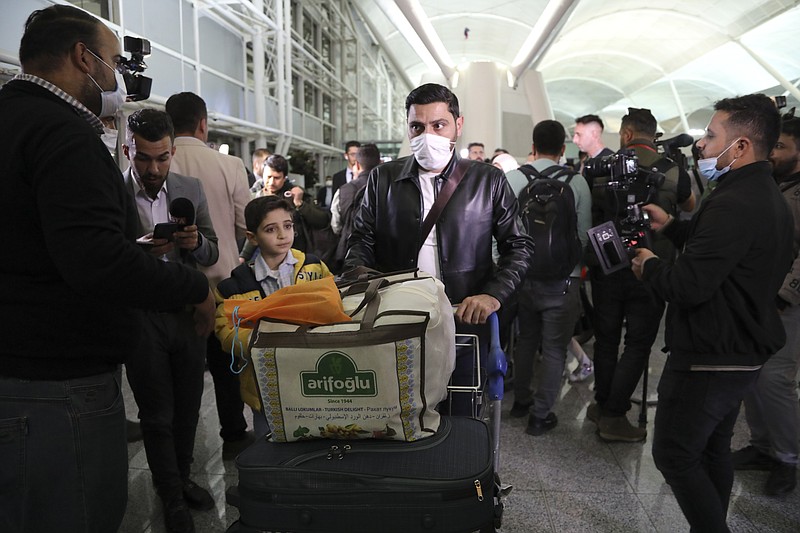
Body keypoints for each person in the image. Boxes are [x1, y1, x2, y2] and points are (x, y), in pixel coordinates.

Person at [0, 6, 215, 532]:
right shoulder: (64, 134)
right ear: (83, 57)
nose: (120, 76)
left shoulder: (10, 118)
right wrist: (192, 286)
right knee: (76, 512)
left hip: (15, 364)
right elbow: (96, 262)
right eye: (116, 62)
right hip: (59, 380)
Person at [632, 93, 793, 532]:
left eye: (711, 135)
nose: (701, 145)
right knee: (711, 449)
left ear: (740, 146)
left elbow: (688, 285)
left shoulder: (734, 202)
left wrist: (650, 266)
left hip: (711, 353)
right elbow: (726, 255)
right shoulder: (762, 195)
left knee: (674, 453)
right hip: (740, 347)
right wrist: (675, 226)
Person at [345, 83, 533, 415]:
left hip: (463, 323)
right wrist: (365, 278)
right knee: (398, 412)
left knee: (462, 412)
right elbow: (360, 240)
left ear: (458, 126)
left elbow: (518, 245)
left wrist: (493, 294)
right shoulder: (383, 180)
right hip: (398, 322)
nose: (427, 135)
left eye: (438, 125)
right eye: (417, 126)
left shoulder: (487, 181)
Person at [122, 108, 219, 532]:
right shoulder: (112, 191)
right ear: (128, 151)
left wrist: (196, 244)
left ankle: (182, 477)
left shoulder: (189, 188)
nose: (154, 168)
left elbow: (213, 252)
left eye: (162, 158)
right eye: (144, 158)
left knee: (189, 409)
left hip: (187, 316)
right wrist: (138, 256)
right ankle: (170, 495)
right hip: (141, 317)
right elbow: (101, 257)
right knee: (157, 414)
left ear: (173, 152)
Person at [586, 107, 692, 443]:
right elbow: (689, 206)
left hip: (607, 266)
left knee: (605, 340)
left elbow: (588, 211)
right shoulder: (673, 170)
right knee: (638, 343)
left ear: (628, 134)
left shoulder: (600, 167)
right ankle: (615, 415)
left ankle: (602, 405)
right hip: (650, 268)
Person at [165, 91, 254, 460]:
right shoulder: (229, 165)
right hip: (221, 282)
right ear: (203, 124)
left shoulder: (157, 162)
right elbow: (246, 224)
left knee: (176, 372)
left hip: (170, 286)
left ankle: (179, 445)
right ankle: (233, 433)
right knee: (225, 366)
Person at [215, 196, 332, 438]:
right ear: (252, 237)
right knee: (269, 447)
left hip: (313, 381)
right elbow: (227, 334)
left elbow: (335, 308)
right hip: (265, 388)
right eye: (271, 229)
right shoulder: (235, 286)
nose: (282, 235)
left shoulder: (313, 268)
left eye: (287, 226)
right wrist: (269, 338)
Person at [504, 120, 591, 436]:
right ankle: (541, 416)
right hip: (563, 281)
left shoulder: (514, 178)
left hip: (522, 277)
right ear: (563, 149)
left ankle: (521, 402)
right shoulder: (576, 182)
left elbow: (498, 231)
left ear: (533, 146)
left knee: (525, 339)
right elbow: (583, 236)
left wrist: (506, 268)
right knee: (555, 349)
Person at [731, 113, 800, 496]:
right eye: (773, 145)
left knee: (776, 379)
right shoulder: (773, 185)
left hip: (786, 301)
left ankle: (788, 459)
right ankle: (761, 446)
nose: (774, 153)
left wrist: (783, 295)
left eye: (782, 147)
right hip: (758, 297)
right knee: (752, 375)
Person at [331, 143, 381, 271]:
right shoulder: (390, 188)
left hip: (349, 254)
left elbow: (336, 225)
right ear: (380, 163)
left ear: (357, 165)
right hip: (382, 254)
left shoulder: (343, 190)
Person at [573, 114, 613, 187]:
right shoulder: (580, 165)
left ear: (594, 134)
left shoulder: (611, 163)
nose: (574, 140)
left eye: (579, 135)